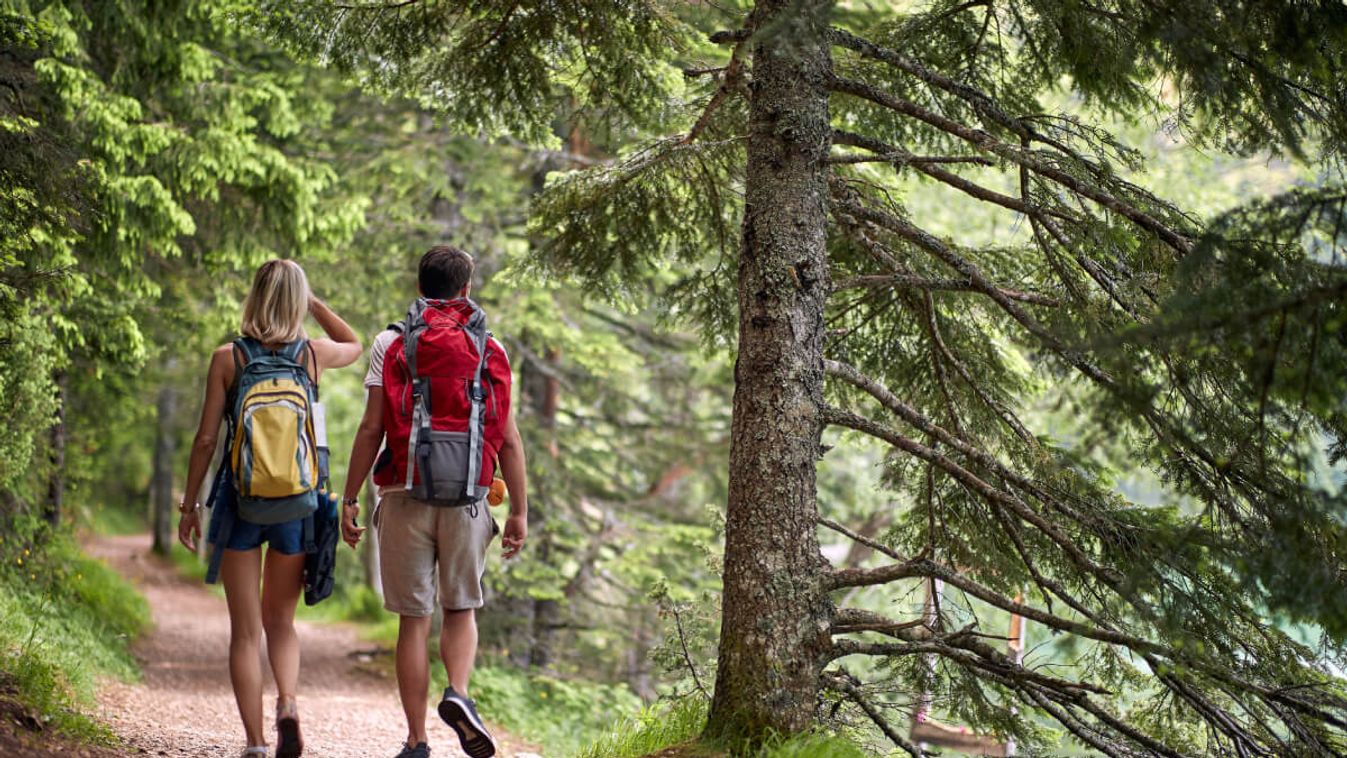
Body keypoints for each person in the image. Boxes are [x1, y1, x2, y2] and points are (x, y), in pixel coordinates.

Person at [341, 245, 528, 758]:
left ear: (419, 286)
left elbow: (371, 426)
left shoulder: (390, 342)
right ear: (466, 289)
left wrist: (350, 496)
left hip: (403, 493)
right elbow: (508, 439)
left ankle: (417, 739)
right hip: (468, 498)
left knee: (413, 620)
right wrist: (519, 511)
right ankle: (460, 694)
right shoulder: (491, 347)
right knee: (461, 608)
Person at [178, 259, 363, 758]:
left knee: (245, 631)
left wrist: (190, 504)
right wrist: (314, 303)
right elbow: (356, 343)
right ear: (297, 301)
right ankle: (287, 702)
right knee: (280, 620)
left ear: (254, 297)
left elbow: (205, 440)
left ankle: (257, 744)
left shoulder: (228, 358)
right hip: (297, 505)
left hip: (240, 505)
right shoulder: (312, 355)